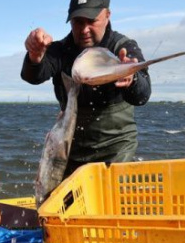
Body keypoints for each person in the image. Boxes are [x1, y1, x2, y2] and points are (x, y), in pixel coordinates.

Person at [21, 0, 151, 175]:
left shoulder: (124, 48)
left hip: (115, 150)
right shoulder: (59, 50)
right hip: (69, 149)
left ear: (107, 15)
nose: (84, 30)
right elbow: (34, 76)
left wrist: (131, 77)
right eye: (78, 22)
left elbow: (142, 96)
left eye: (91, 21)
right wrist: (35, 56)